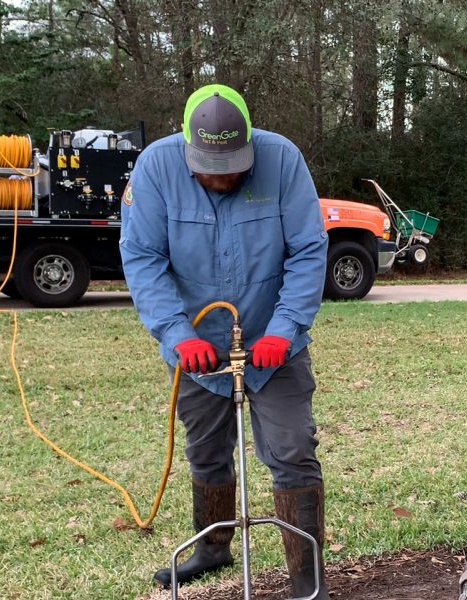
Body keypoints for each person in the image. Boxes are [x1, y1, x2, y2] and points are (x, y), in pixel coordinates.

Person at [119, 84, 331, 600]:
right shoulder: (154, 168)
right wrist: (176, 333)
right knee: (206, 451)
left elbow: (308, 249)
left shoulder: (282, 160)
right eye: (210, 168)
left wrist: (284, 330)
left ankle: (307, 576)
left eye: (233, 165)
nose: (221, 177)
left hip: (274, 345)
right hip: (197, 351)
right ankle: (211, 549)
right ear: (188, 146)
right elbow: (143, 258)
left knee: (293, 449)